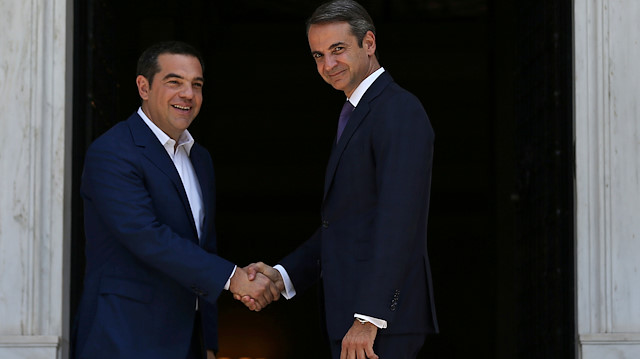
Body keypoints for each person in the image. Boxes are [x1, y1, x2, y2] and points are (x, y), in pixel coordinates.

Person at [241, 1, 439, 358]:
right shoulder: (356, 113)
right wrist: (282, 276)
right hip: (354, 321)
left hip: (379, 327)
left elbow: (400, 220)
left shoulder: (398, 110)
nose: (328, 65)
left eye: (338, 50)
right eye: (318, 55)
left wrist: (370, 317)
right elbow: (345, 225)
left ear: (369, 43)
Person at [72, 41, 280, 359]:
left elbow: (204, 248)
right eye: (175, 82)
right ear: (143, 86)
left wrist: (209, 342)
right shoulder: (113, 152)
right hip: (124, 338)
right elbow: (147, 236)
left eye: (196, 85)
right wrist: (235, 278)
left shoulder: (200, 159)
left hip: (187, 341)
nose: (188, 94)